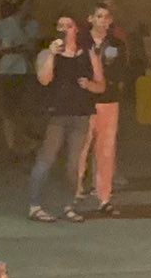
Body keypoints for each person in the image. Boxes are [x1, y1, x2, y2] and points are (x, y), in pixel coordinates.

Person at [28, 13, 103, 223]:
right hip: (56, 114)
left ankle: (68, 205)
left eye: (68, 26)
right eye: (59, 25)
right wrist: (52, 55)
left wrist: (89, 85)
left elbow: (101, 85)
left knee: (73, 163)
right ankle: (35, 205)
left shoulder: (88, 54)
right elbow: (44, 80)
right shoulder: (46, 53)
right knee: (47, 159)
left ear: (76, 29)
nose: (63, 29)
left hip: (80, 115)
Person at [74, 1, 127, 216]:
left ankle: (104, 197)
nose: (103, 21)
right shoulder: (80, 42)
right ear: (90, 19)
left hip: (108, 101)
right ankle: (75, 193)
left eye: (107, 17)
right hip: (83, 102)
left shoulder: (117, 44)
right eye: (99, 16)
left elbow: (122, 71)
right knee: (80, 149)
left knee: (106, 151)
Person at [0, 0, 39, 158]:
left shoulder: (33, 25)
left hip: (26, 69)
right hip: (8, 70)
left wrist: (25, 48)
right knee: (8, 108)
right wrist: (7, 49)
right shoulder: (2, 25)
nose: (31, 7)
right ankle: (11, 145)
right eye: (28, 4)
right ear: (20, 6)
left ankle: (26, 140)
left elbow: (33, 46)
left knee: (26, 107)